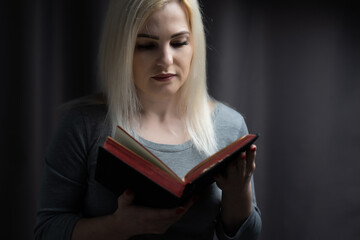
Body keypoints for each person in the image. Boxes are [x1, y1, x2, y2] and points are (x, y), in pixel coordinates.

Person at [34, 0, 262, 239]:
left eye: (179, 43)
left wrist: (238, 195)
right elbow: (47, 230)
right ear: (122, 48)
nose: (166, 60)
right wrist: (116, 227)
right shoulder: (83, 126)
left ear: (194, 44)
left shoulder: (229, 126)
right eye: (146, 46)